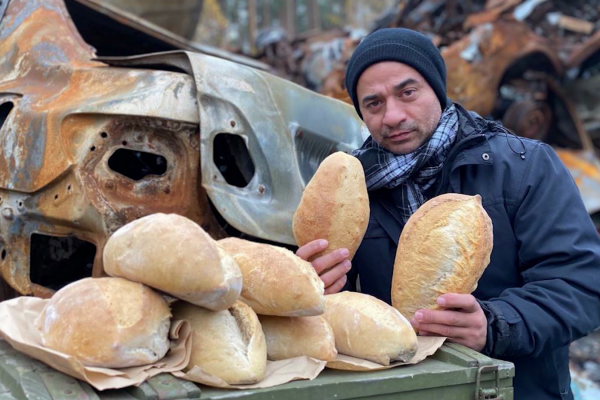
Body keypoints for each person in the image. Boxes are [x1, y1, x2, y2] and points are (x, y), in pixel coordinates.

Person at [296, 28, 600, 400]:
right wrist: (315, 291)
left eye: (408, 93)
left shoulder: (524, 166)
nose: (392, 115)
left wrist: (495, 325)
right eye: (373, 104)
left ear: (437, 90)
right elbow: (341, 308)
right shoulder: (351, 188)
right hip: (405, 391)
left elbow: (581, 285)